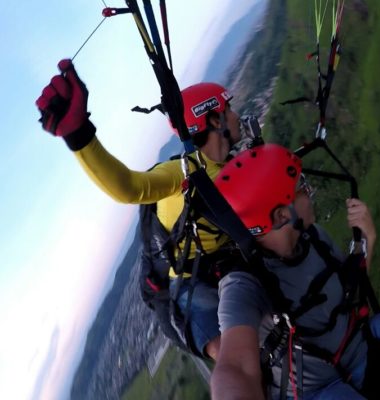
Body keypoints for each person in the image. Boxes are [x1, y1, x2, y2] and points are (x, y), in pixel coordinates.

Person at [36, 59, 248, 360]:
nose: (236, 116)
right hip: (189, 279)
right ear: (214, 120)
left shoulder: (233, 165)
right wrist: (79, 135)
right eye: (228, 109)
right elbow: (129, 187)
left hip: (228, 260)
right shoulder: (183, 172)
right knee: (230, 355)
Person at [211, 143, 380, 400]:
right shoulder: (243, 284)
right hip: (317, 390)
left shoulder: (313, 238)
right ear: (282, 215)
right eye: (301, 187)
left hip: (358, 345)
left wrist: (368, 241)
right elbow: (235, 367)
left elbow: (349, 294)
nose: (310, 191)